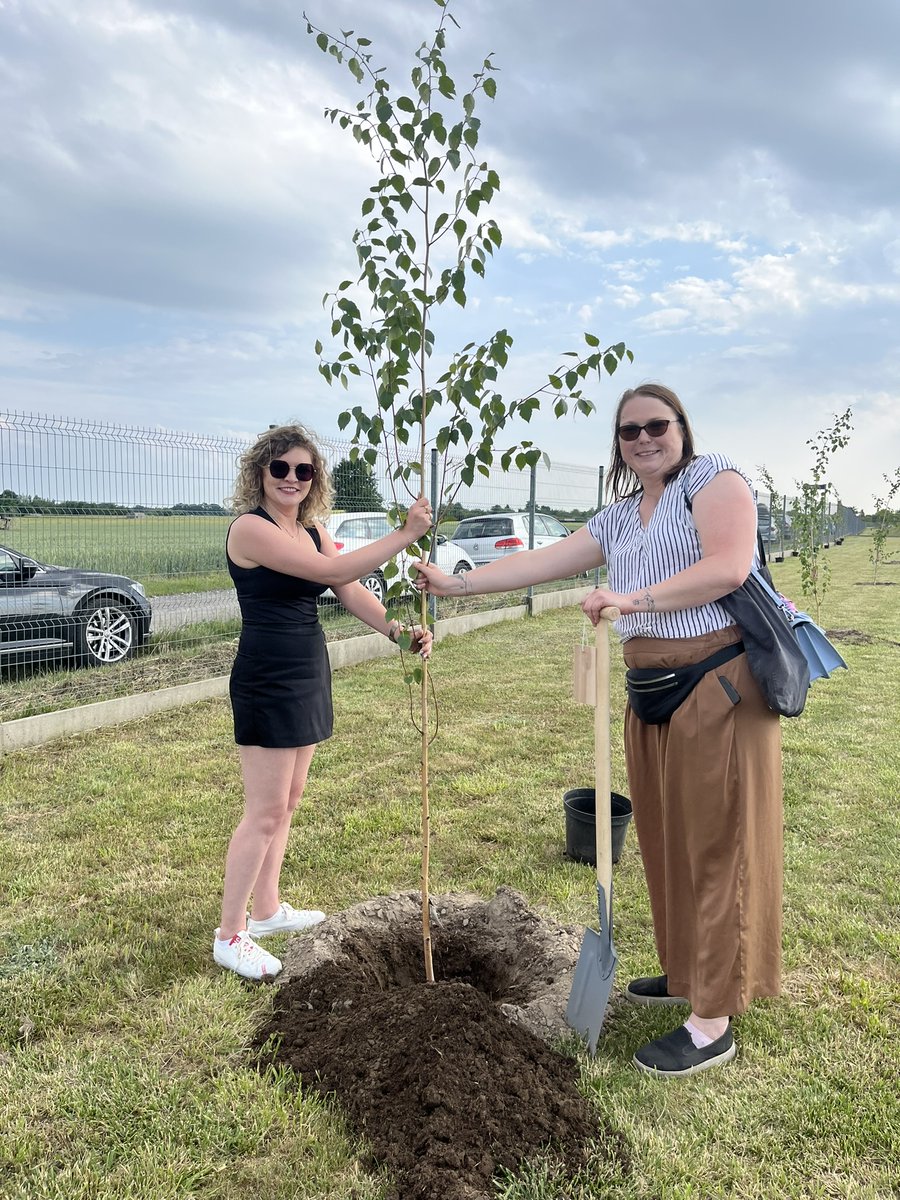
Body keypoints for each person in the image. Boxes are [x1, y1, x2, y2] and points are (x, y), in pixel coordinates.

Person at [415, 383, 783, 1077]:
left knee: (716, 843)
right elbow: (540, 561)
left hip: (719, 683)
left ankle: (713, 1019)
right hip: (651, 690)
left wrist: (631, 597)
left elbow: (728, 566)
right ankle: (685, 973)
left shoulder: (714, 479)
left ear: (682, 426)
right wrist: (455, 585)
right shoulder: (618, 517)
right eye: (628, 430)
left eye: (656, 425)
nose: (643, 438)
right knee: (666, 840)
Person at [215, 423, 433, 980]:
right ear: (260, 472)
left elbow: (350, 590)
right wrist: (405, 535)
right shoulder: (250, 528)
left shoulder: (311, 528)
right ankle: (231, 933)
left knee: (287, 800)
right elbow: (334, 571)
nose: (291, 478)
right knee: (263, 811)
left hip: (307, 667)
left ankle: (265, 912)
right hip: (266, 674)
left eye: (303, 470)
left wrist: (399, 633)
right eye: (280, 468)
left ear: (314, 479)